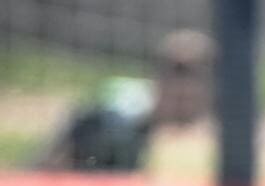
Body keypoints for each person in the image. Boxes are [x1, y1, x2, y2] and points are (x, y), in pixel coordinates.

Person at [35, 30, 214, 172]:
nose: (182, 87)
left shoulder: (217, 142)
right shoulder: (109, 126)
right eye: (173, 72)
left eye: (192, 75)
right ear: (157, 78)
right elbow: (43, 171)